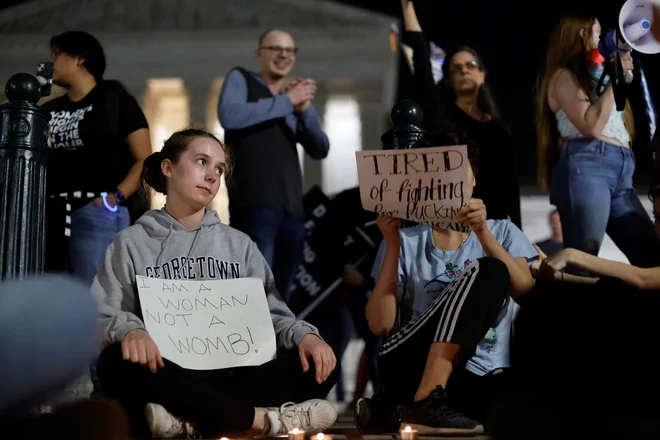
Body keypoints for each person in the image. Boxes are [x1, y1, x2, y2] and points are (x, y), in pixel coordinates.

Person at [92, 128, 339, 438]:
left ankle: (185, 423)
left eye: (219, 169)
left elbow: (274, 315)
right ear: (168, 168)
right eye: (201, 162)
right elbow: (101, 313)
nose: (211, 176)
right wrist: (132, 330)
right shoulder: (131, 242)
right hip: (166, 376)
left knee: (320, 362)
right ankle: (263, 421)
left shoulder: (240, 245)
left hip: (232, 376)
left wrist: (306, 337)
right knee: (114, 362)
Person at [354, 142, 538, 435]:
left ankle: (395, 411)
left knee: (492, 269)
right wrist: (391, 245)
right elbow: (380, 324)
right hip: (411, 361)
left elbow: (526, 292)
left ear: (473, 178)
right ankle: (425, 394)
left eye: (456, 167)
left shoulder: (502, 232)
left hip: (480, 373)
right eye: (439, 171)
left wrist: (483, 233)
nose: (448, 178)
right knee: (489, 270)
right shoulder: (407, 239)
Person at [537, 16, 660, 268]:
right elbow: (591, 125)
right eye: (597, 32)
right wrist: (615, 77)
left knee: (652, 257)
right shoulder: (562, 77)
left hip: (621, 173)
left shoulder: (596, 75)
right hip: (588, 166)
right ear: (581, 34)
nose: (601, 38)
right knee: (581, 260)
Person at [217, 29, 330, 303]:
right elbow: (229, 116)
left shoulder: (289, 100)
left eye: (290, 50)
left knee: (282, 298)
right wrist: (286, 101)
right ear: (260, 53)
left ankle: (279, 345)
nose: (284, 55)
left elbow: (320, 148)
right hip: (255, 204)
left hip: (292, 212)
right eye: (276, 48)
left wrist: (303, 110)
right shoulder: (241, 79)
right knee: (256, 293)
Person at [42, 31, 152, 285]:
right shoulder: (47, 110)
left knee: (96, 295)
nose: (49, 64)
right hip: (54, 212)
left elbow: (144, 158)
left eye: (57, 55)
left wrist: (115, 197)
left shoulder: (115, 100)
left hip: (97, 211)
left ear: (79, 58)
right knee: (55, 291)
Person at [399, 0, 521, 228]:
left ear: (482, 74)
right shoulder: (442, 116)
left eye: (471, 64)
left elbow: (511, 190)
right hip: (454, 226)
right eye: (456, 67)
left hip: (493, 227)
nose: (464, 70)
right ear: (447, 79)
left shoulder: (500, 128)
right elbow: (422, 61)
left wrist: (519, 237)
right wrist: (408, 7)